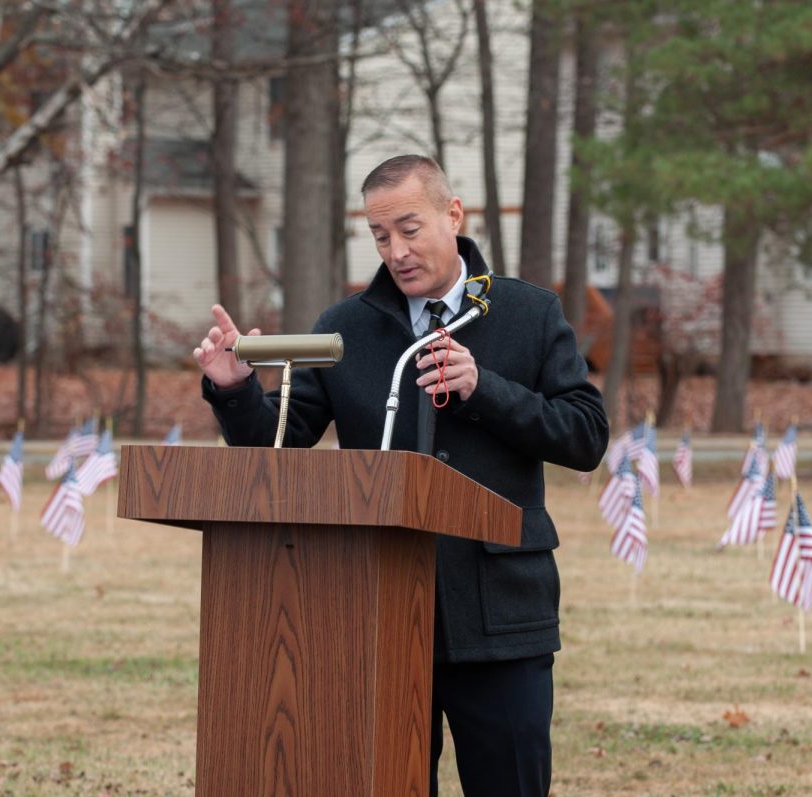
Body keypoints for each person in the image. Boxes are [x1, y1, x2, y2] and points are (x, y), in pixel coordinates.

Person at [194, 154, 608, 796]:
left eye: (410, 229)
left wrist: (485, 389)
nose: (397, 251)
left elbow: (585, 436)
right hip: (374, 615)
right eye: (380, 236)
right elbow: (276, 445)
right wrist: (238, 390)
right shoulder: (343, 329)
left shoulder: (528, 313)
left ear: (453, 214)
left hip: (499, 618)